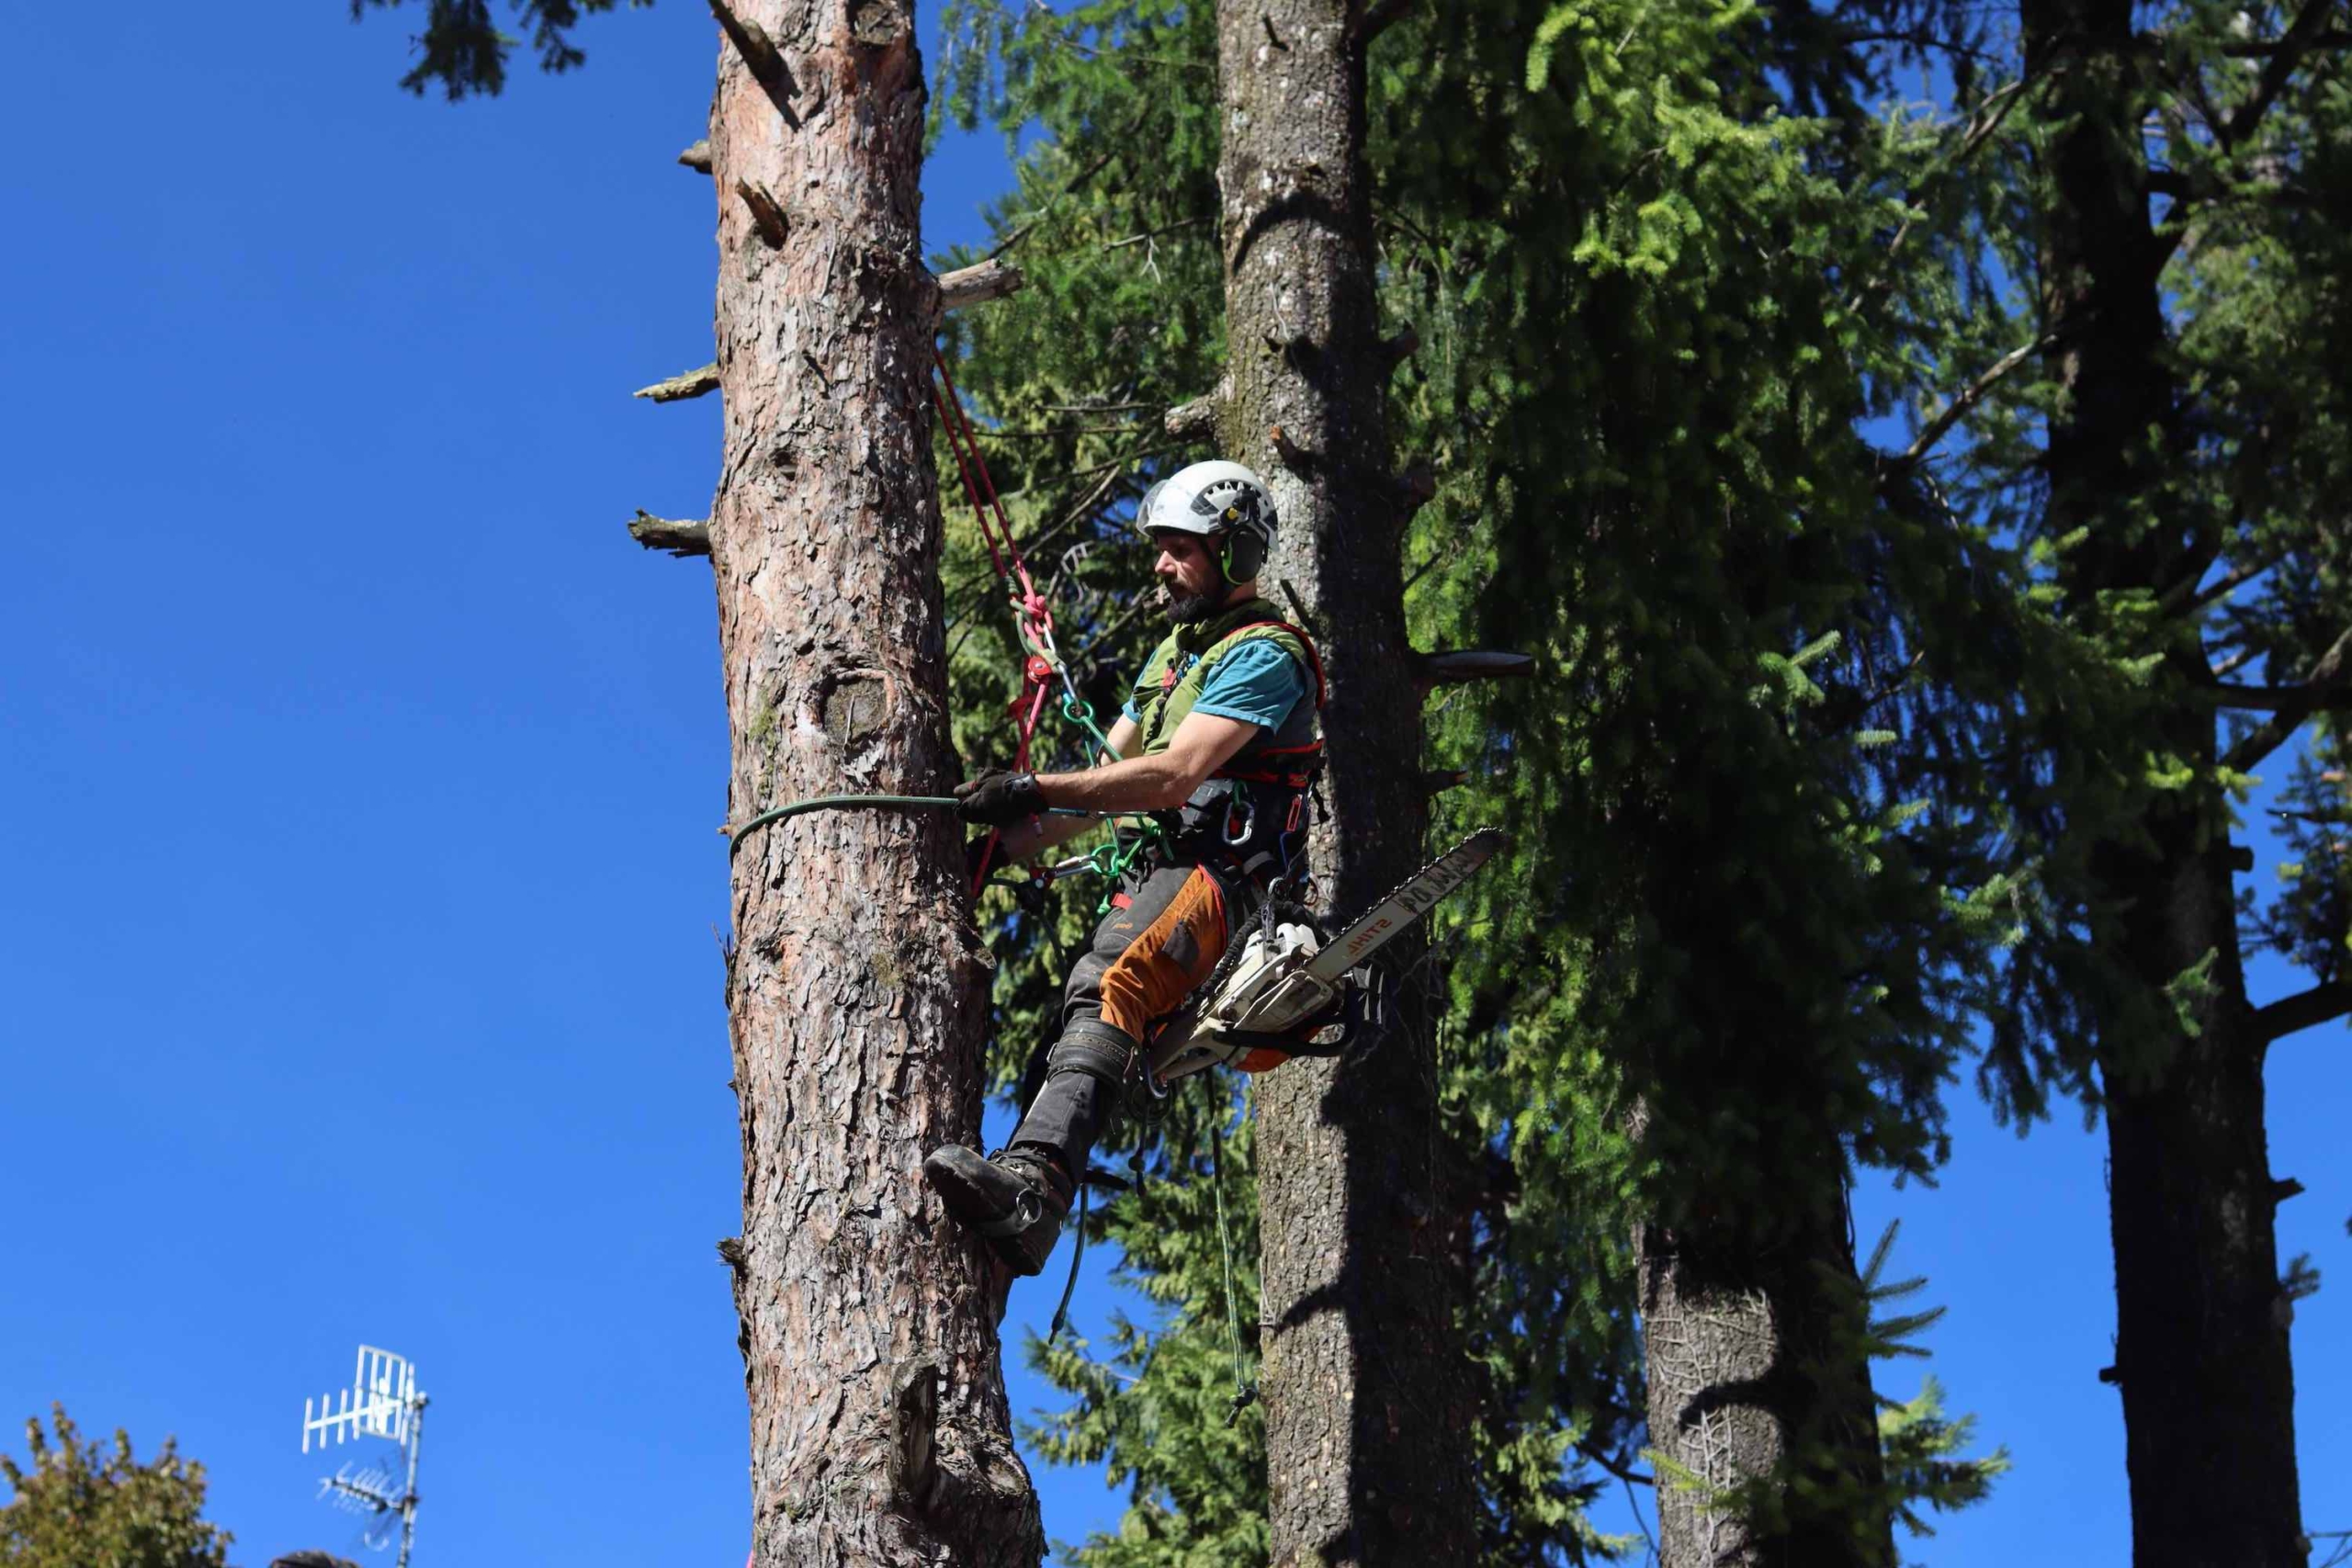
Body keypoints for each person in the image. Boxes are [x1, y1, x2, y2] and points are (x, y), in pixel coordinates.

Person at [924, 459, 1326, 1275]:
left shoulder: (1265, 655)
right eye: (1159, 548)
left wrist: (1033, 784)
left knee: (1112, 983)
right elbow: (1101, 785)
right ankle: (1021, 1195)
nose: (1160, 565)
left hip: (1227, 876)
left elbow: (1173, 776)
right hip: (1173, 872)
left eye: (1180, 548)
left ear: (1237, 553)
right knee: (1085, 1009)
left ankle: (1033, 1191)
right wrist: (996, 845)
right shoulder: (1176, 657)